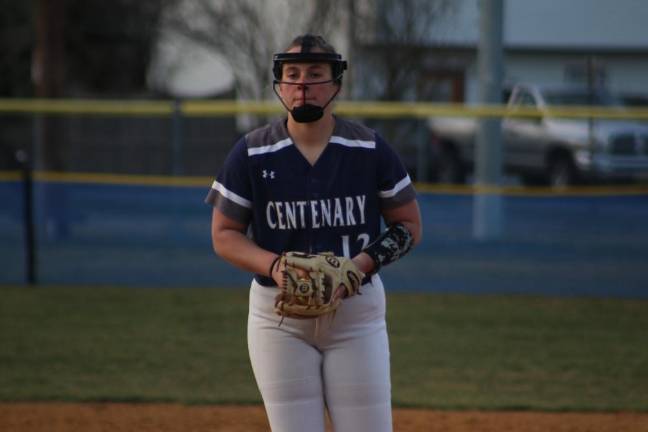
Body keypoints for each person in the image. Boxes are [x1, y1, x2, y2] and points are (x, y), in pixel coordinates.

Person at [205, 34, 422, 432]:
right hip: (278, 313)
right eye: (293, 74)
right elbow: (224, 233)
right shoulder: (252, 152)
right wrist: (275, 266)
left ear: (336, 83)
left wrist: (358, 266)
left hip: (356, 311)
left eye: (315, 73)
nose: (303, 84)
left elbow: (408, 225)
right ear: (280, 84)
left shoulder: (369, 148)